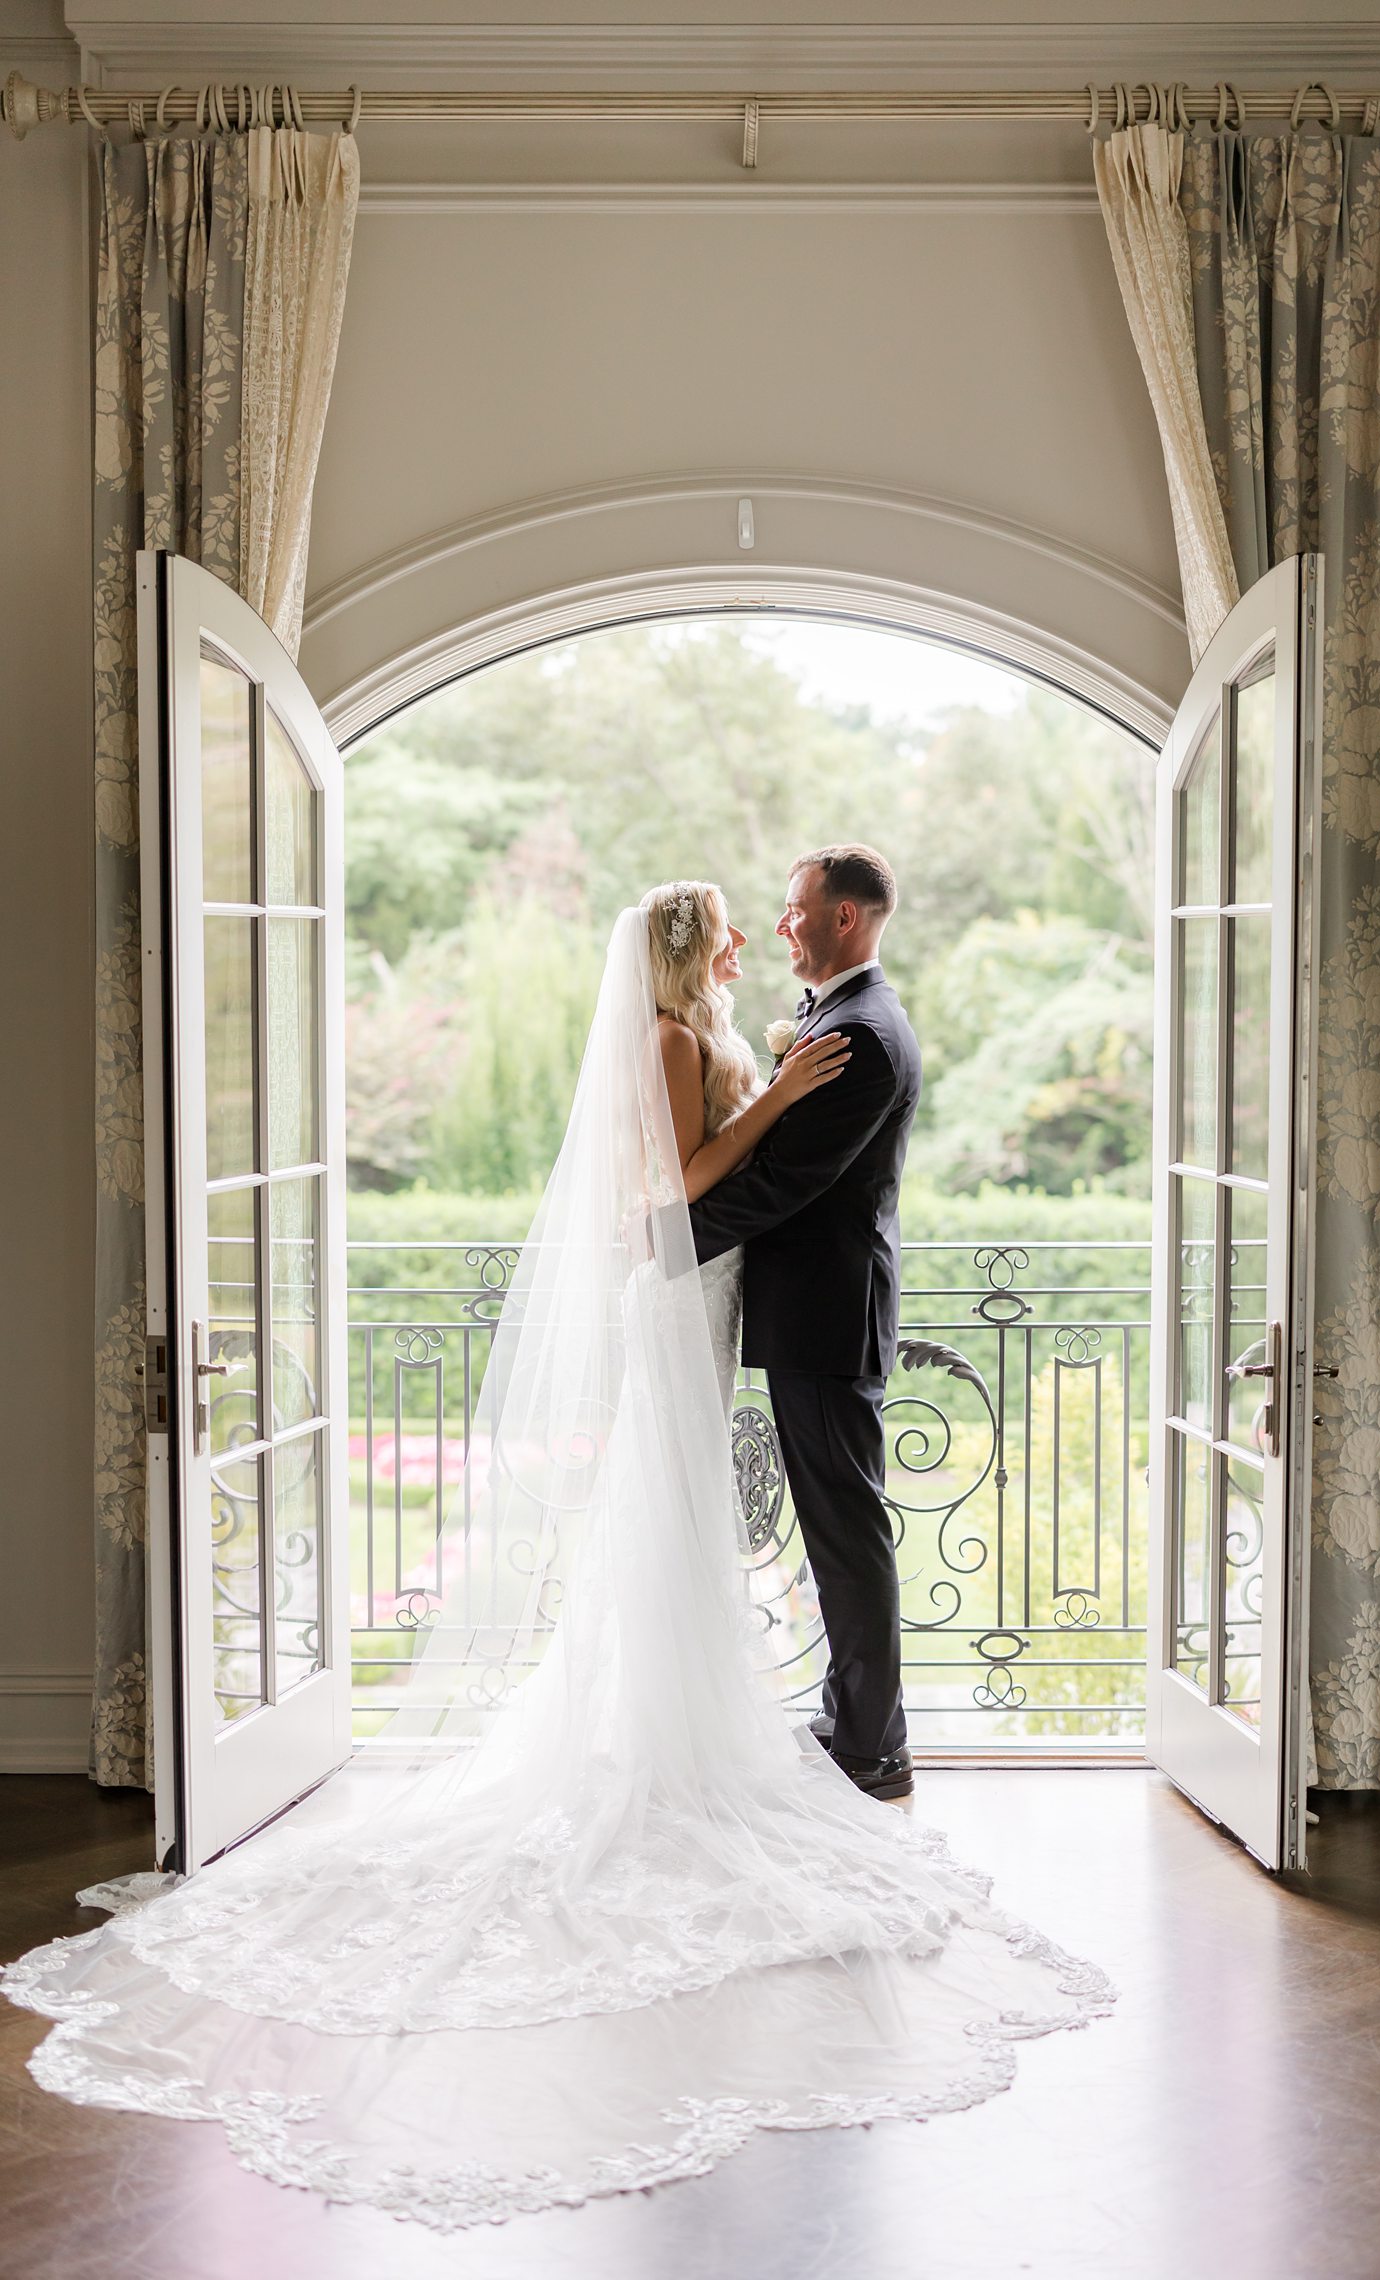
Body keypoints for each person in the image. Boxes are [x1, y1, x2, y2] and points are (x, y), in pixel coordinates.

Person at [1, 879, 1111, 2231]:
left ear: (845, 918)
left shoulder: (806, 1029)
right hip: (687, 1288)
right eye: (737, 922)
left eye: (790, 909)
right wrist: (728, 1135)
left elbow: (748, 1172)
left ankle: (795, 1727)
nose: (763, 931)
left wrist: (730, 1119)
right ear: (690, 951)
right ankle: (704, 1730)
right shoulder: (679, 1036)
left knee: (726, 1515)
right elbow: (687, 1179)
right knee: (681, 1511)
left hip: (719, 1297)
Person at [685, 845, 921, 1799]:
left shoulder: (862, 1033)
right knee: (838, 1529)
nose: (781, 924)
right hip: (817, 1314)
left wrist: (667, 1238)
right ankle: (857, 1722)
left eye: (794, 910)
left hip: (827, 1321)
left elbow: (788, 1183)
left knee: (845, 1533)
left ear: (847, 920)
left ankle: (869, 1746)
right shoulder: (840, 1018)